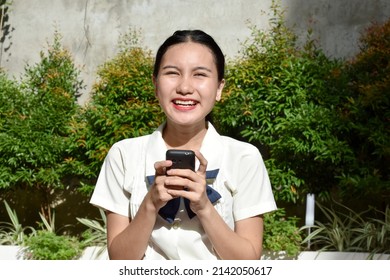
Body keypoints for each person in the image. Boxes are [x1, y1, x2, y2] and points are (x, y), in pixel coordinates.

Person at [90, 30, 277, 260]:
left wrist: (205, 208)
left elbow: (248, 262)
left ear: (219, 88)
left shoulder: (244, 158)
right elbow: (119, 260)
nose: (185, 87)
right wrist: (150, 204)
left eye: (200, 74)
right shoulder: (123, 155)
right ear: (156, 85)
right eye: (172, 73)